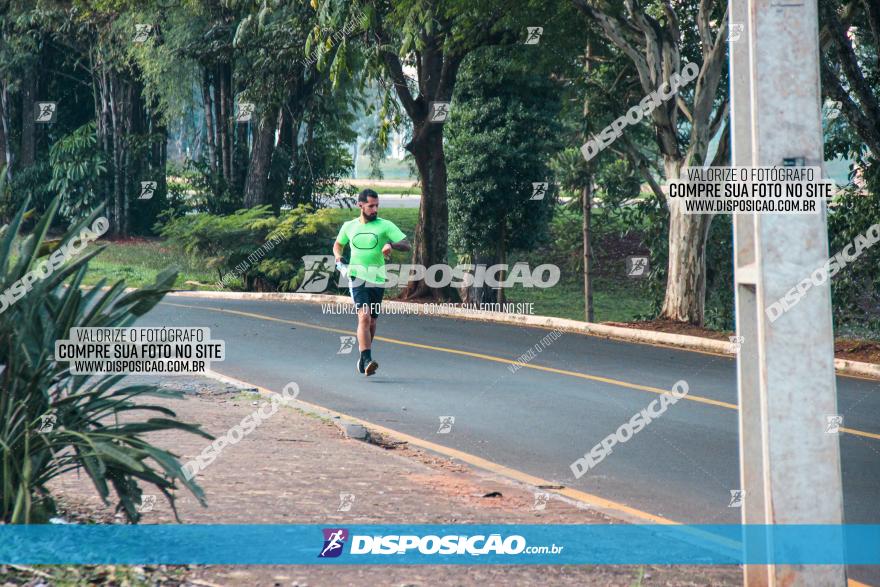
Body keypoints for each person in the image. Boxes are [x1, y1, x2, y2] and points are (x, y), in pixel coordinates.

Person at [333, 189, 410, 375]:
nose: (375, 209)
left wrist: (391, 245)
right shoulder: (349, 226)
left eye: (377, 205)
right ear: (360, 206)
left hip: (377, 278)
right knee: (364, 317)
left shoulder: (385, 225)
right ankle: (367, 358)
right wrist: (338, 258)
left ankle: (363, 357)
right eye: (371, 206)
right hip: (357, 277)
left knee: (372, 322)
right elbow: (338, 245)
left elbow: (407, 244)